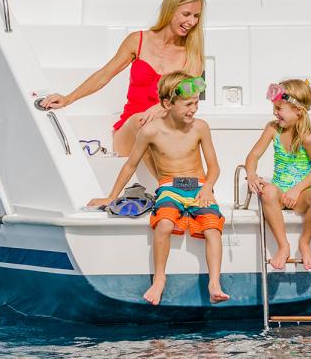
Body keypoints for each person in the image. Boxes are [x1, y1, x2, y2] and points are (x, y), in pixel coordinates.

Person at [88, 72, 229, 305]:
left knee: (212, 228)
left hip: (199, 187)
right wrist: (111, 196)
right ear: (167, 104)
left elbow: (214, 167)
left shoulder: (200, 128)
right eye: (188, 104)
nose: (194, 109)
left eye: (196, 103)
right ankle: (159, 279)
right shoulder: (150, 131)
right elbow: (130, 165)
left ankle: (214, 283)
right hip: (169, 187)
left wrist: (208, 188)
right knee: (163, 224)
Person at [41, 0, 203, 157]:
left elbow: (193, 93)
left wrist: (161, 108)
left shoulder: (191, 55)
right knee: (141, 122)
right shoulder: (138, 40)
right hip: (131, 129)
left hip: (168, 131)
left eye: (196, 16)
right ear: (170, 9)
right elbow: (104, 75)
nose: (192, 22)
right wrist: (68, 98)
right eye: (186, 14)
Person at [243, 79, 311, 271]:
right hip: (280, 193)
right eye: (274, 108)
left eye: (279, 108)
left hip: (302, 195)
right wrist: (252, 174)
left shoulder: (308, 139)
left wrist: (297, 190)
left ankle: (304, 243)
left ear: (298, 111)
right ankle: (283, 246)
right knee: (267, 191)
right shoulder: (273, 129)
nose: (275, 112)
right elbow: (253, 156)